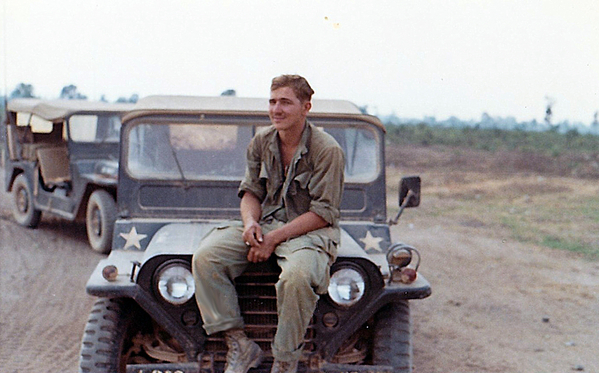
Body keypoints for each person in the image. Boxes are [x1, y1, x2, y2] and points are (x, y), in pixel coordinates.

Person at [192, 74, 345, 373]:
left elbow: (324, 213)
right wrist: (250, 223)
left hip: (309, 231)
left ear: (306, 107)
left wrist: (274, 239)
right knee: (207, 257)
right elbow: (251, 192)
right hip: (268, 223)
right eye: (273, 102)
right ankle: (238, 343)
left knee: (297, 277)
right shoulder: (262, 141)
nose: (277, 109)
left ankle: (286, 361)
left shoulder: (327, 150)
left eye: (286, 102)